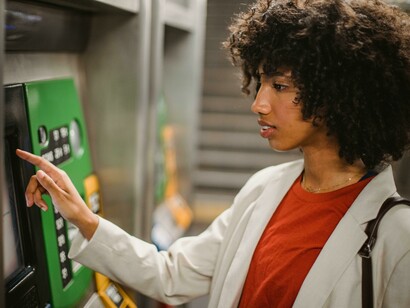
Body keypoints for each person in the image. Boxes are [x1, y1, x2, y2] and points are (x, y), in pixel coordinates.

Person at [16, 0, 410, 307]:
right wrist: (82, 217)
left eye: (280, 85)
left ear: (339, 93)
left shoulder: (398, 237)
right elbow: (171, 274)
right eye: (260, 83)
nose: (258, 103)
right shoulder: (265, 189)